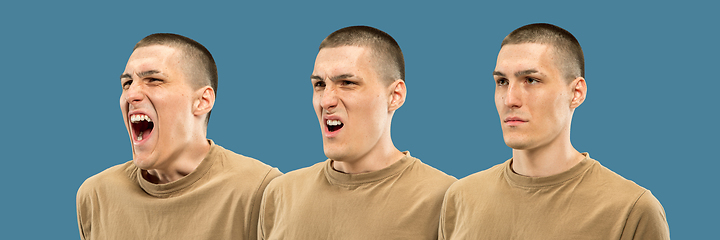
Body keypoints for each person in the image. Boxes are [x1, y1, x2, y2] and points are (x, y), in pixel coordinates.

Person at [438, 23, 670, 239]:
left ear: (576, 93)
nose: (510, 99)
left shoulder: (632, 210)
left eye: (531, 80)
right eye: (502, 82)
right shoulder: (460, 197)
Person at [76, 33, 282, 240]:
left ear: (202, 101)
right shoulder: (96, 195)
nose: (131, 94)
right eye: (127, 83)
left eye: (153, 80)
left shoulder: (262, 190)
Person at [258, 26, 457, 239]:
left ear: (395, 96)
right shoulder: (280, 194)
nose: (326, 100)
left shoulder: (446, 198)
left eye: (347, 83)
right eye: (319, 84)